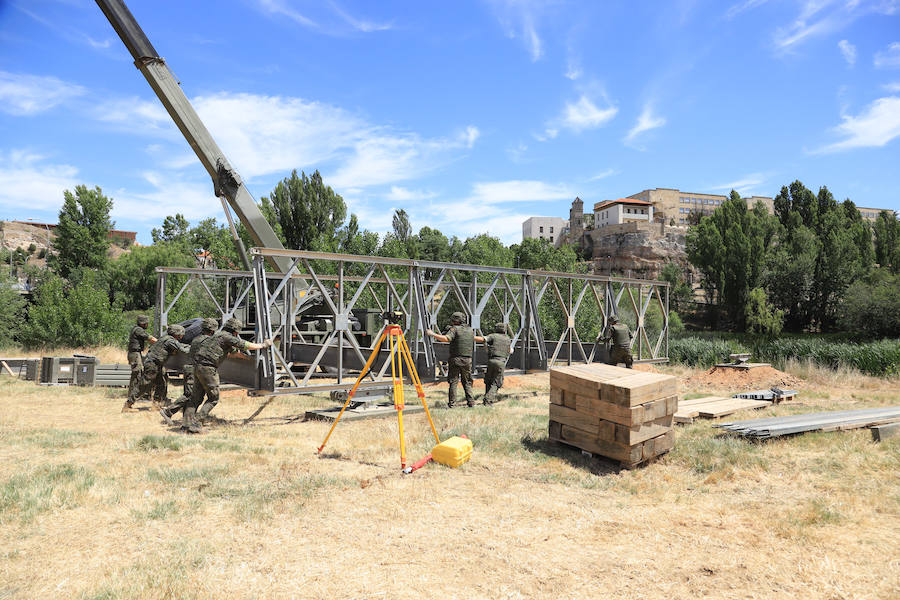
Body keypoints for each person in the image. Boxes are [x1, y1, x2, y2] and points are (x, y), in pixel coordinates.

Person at [182, 317, 271, 432]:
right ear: (235, 331)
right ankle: (197, 423)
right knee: (213, 398)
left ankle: (186, 424)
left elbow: (235, 354)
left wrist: (248, 359)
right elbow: (244, 344)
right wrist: (263, 345)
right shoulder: (227, 337)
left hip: (198, 367)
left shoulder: (217, 337)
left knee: (196, 398)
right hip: (208, 368)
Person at [159, 317, 218, 427]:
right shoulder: (204, 341)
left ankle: (186, 419)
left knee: (192, 395)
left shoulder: (196, 340)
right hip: (192, 368)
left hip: (191, 368)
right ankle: (169, 412)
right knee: (190, 395)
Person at [132, 324, 190, 412]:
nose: (182, 336)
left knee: (161, 384)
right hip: (153, 364)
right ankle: (128, 404)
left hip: (156, 364)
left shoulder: (166, 338)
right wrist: (195, 348)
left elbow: (180, 345)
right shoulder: (170, 341)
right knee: (144, 385)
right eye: (181, 334)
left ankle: (156, 405)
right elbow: (183, 350)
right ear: (177, 334)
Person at [425, 312, 475, 408]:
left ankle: (452, 404)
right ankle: (471, 402)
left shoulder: (454, 329)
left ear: (455, 321)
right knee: (467, 381)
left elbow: (446, 338)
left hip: (456, 359)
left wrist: (432, 334)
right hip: (467, 359)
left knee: (453, 381)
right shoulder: (470, 330)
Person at [123, 315, 157, 412]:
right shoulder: (138, 330)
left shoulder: (137, 329)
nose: (148, 325)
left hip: (136, 354)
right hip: (134, 354)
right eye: (146, 323)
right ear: (143, 323)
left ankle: (133, 398)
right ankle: (129, 402)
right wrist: (161, 343)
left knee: (138, 375)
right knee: (136, 375)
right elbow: (150, 338)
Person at [474, 322, 512, 405]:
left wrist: (470, 337)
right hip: (501, 362)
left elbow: (483, 339)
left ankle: (487, 397)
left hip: (491, 361)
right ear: (504, 330)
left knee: (488, 380)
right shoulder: (507, 338)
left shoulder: (493, 336)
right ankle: (488, 400)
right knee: (496, 383)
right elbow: (510, 350)